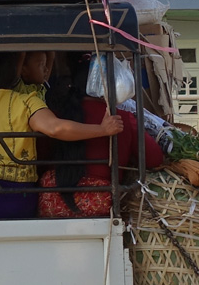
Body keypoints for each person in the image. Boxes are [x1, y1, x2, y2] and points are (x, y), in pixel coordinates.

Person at [0, 52, 122, 221]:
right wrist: (102, 130)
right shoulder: (27, 101)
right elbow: (55, 128)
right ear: (18, 72)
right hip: (16, 195)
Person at [38, 55, 164, 218]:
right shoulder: (121, 119)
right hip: (99, 202)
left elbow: (40, 159)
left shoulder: (54, 117)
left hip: (51, 200)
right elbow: (154, 159)